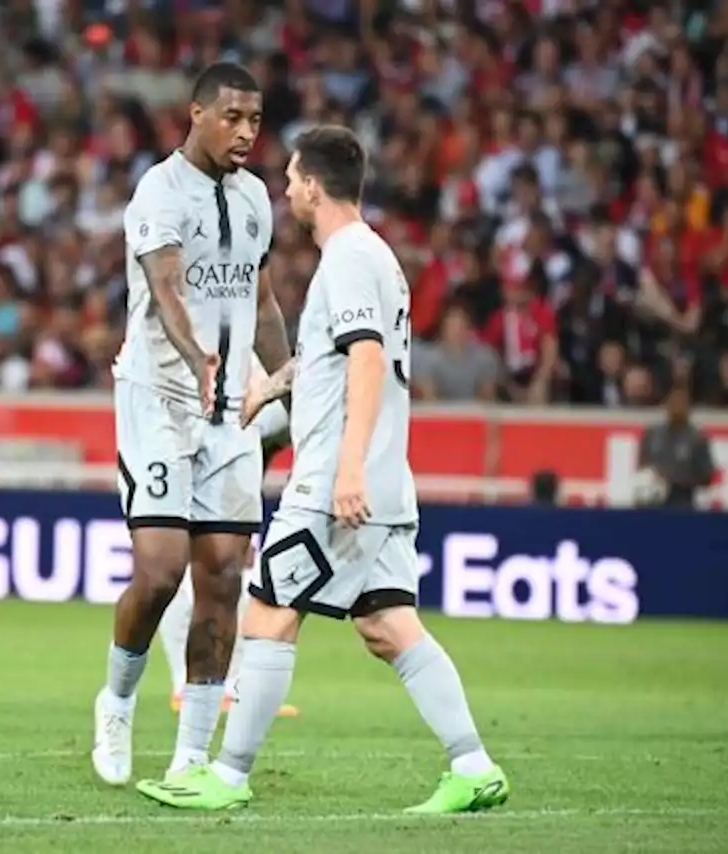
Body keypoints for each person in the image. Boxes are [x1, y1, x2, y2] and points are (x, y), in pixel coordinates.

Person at [136, 126, 510, 813]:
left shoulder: (348, 259)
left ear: (313, 184)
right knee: (388, 626)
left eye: (290, 180)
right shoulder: (374, 258)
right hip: (385, 481)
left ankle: (228, 775)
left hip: (337, 483)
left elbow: (366, 361)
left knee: (268, 613)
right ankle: (474, 765)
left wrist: (347, 471)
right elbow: (333, 356)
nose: (284, 191)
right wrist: (271, 385)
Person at [93, 62, 293, 786]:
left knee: (223, 576)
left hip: (230, 410)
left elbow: (262, 301)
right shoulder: (158, 191)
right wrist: (199, 356)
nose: (246, 132)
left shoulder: (253, 201)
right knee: (160, 571)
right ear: (197, 113)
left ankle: (190, 759)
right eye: (233, 116)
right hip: (159, 400)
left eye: (256, 120)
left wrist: (288, 383)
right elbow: (167, 288)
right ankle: (115, 702)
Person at [159, 358, 299, 719]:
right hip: (191, 460)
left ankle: (226, 683)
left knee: (231, 574)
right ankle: (184, 683)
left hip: (233, 469)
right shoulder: (242, 367)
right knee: (189, 573)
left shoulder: (254, 365)